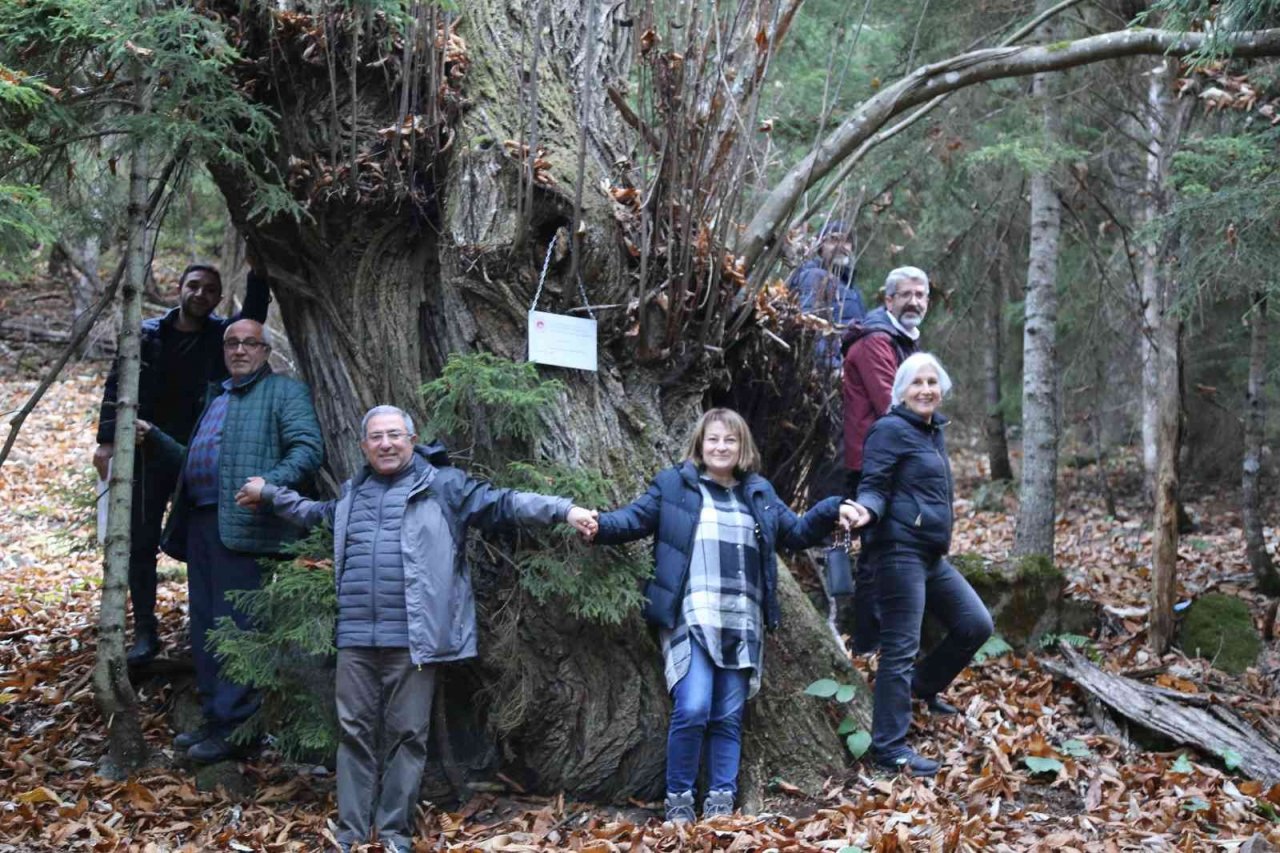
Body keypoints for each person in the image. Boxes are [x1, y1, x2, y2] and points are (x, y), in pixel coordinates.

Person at [234, 405, 597, 853]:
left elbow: (503, 502)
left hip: (414, 640)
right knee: (354, 736)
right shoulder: (353, 492)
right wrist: (271, 493)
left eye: (394, 435)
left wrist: (564, 510)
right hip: (355, 639)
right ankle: (349, 834)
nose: (385, 444)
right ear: (364, 445)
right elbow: (318, 514)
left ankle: (393, 834)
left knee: (407, 737)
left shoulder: (443, 486)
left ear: (411, 438)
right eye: (376, 437)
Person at [590, 408, 860, 822]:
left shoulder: (759, 493)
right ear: (700, 444)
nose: (721, 447)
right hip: (691, 614)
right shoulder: (674, 486)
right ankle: (678, 796)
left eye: (730, 440)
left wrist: (831, 509)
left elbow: (799, 532)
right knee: (694, 707)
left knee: (728, 715)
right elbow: (634, 519)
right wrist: (596, 524)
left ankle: (721, 798)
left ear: (742, 447)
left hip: (742, 619)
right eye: (713, 439)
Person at [143, 319, 324, 763]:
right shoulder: (219, 396)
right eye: (232, 343)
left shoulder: (284, 393)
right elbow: (197, 461)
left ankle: (238, 729)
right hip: (204, 523)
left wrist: (271, 485)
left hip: (247, 527)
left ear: (265, 351)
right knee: (205, 628)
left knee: (235, 630)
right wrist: (158, 440)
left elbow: (307, 448)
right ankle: (216, 719)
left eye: (250, 343)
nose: (240, 350)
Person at [93, 261, 270, 664]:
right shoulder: (148, 334)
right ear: (179, 289)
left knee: (203, 541)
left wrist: (259, 268)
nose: (201, 295)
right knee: (139, 542)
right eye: (194, 286)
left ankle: (207, 628)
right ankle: (144, 632)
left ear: (218, 298)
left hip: (199, 455)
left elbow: (254, 316)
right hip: (147, 451)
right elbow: (116, 382)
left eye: (210, 290)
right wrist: (106, 440)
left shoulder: (220, 338)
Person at [844, 354, 993, 778]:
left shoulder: (931, 431)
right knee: (900, 648)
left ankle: (917, 689)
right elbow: (873, 486)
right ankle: (888, 749)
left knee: (976, 624)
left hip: (930, 555)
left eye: (932, 382)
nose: (926, 389)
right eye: (917, 383)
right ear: (901, 391)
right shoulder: (889, 430)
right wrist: (865, 513)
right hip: (897, 552)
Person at [840, 265, 929, 650]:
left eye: (920, 295)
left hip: (893, 462)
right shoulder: (877, 341)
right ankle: (867, 645)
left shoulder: (904, 338)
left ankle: (887, 642)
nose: (914, 302)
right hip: (872, 464)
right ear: (888, 299)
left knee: (893, 551)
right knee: (875, 557)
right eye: (906, 295)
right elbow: (893, 403)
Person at [786, 219, 866, 370]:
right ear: (820, 246)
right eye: (834, 239)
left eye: (847, 241)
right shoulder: (814, 277)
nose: (841, 246)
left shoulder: (851, 287)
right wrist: (833, 369)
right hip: (827, 373)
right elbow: (809, 329)